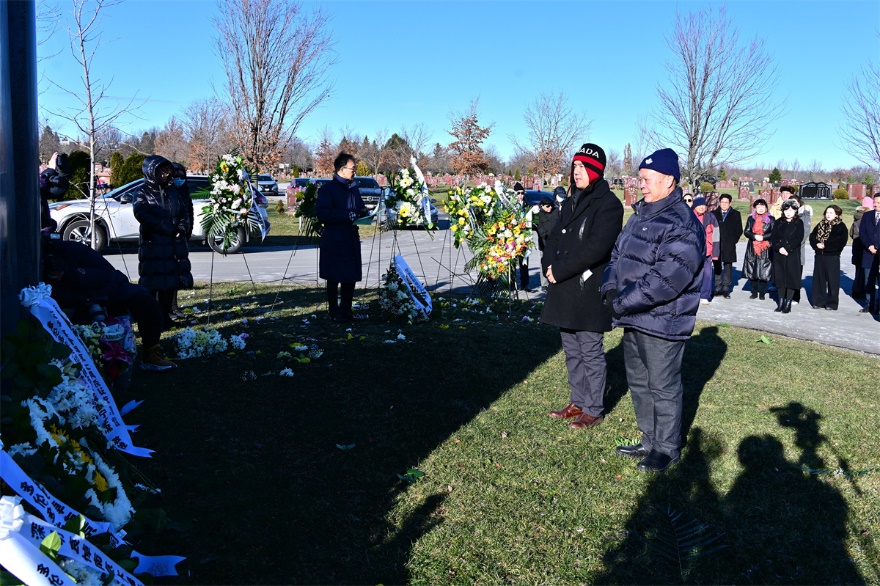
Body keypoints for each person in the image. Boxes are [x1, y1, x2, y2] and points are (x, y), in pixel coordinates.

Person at [600, 148, 704, 472]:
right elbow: (616, 255)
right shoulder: (640, 214)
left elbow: (665, 280)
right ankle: (648, 439)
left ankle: (667, 448)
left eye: (646, 179)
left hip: (663, 322)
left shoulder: (683, 225)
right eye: (640, 179)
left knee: (663, 385)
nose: (640, 185)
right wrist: (609, 288)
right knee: (640, 382)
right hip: (634, 317)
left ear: (669, 180)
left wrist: (619, 301)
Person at [543, 143, 623, 430]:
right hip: (565, 286)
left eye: (583, 167)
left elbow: (596, 249)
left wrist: (560, 270)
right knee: (572, 348)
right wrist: (547, 266)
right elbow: (553, 238)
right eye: (575, 167)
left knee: (590, 349)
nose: (577, 172)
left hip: (587, 289)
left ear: (596, 171)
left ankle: (593, 407)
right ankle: (577, 399)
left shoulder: (609, 204)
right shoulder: (572, 201)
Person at [43, 239, 176, 370]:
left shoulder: (73, 250)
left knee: (147, 303)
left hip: (106, 292)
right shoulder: (41, 261)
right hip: (76, 302)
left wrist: (71, 274)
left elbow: (107, 274)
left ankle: (151, 352)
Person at [133, 155, 194, 328]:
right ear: (151, 172)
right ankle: (151, 319)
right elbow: (142, 214)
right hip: (153, 245)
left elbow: (183, 212)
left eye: (166, 171)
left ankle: (166, 316)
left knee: (169, 282)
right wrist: (167, 228)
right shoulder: (142, 191)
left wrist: (181, 228)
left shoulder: (172, 191)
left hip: (172, 246)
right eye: (160, 171)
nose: (164, 174)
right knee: (152, 284)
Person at [316, 152, 368, 322]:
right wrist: (348, 215)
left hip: (350, 236)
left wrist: (363, 212)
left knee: (350, 276)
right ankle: (334, 311)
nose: (355, 172)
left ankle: (347, 310)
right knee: (334, 277)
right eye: (352, 169)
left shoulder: (353, 188)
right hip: (334, 237)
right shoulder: (327, 190)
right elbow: (323, 214)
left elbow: (358, 207)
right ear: (341, 169)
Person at [168, 162, 195, 321]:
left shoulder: (184, 192)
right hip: (170, 238)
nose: (179, 180)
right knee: (169, 275)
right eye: (176, 176)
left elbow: (188, 213)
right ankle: (168, 308)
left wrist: (186, 231)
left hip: (182, 238)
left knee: (178, 273)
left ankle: (174, 306)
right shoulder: (168, 192)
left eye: (182, 177)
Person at [808, 205, 848, 310]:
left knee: (832, 280)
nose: (828, 215)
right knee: (819, 279)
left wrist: (825, 245)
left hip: (832, 256)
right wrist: (817, 244)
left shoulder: (840, 226)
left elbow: (841, 241)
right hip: (819, 255)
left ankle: (832, 303)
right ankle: (818, 301)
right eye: (827, 212)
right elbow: (812, 236)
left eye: (831, 212)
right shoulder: (821, 224)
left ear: (837, 214)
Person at [770, 199, 804, 314]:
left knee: (790, 279)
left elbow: (799, 238)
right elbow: (774, 237)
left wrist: (788, 248)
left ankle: (788, 303)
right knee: (780, 279)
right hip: (779, 254)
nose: (788, 212)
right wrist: (779, 248)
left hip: (792, 254)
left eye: (791, 210)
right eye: (786, 210)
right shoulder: (778, 222)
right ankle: (780, 302)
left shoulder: (799, 223)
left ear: (795, 211)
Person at [711, 193, 743, 299]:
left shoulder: (736, 214)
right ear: (719, 203)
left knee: (728, 266)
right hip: (716, 243)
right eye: (722, 202)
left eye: (726, 202)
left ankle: (726, 288)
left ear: (730, 203)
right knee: (717, 265)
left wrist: (733, 241)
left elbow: (739, 230)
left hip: (729, 244)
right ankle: (717, 287)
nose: (724, 204)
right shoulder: (713, 214)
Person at [742, 198, 774, 300]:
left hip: (766, 247)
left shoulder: (771, 219)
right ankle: (754, 291)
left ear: (766, 207)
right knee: (753, 270)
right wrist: (754, 236)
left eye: (762, 206)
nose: (760, 209)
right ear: (755, 208)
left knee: (764, 271)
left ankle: (762, 292)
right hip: (752, 247)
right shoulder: (751, 219)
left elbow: (774, 233)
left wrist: (763, 237)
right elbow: (746, 231)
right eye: (758, 206)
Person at [691, 195, 719, 304]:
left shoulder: (711, 217)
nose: (702, 207)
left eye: (703, 205)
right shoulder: (690, 216)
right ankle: (692, 295)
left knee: (707, 274)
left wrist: (715, 252)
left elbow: (716, 235)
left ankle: (704, 295)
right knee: (693, 274)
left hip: (708, 250)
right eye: (699, 205)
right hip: (693, 251)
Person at [858, 196, 880, 314]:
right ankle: (869, 304)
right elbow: (862, 233)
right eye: (874, 202)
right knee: (868, 281)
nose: (875, 205)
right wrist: (869, 246)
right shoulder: (867, 216)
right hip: (869, 254)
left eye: (878, 203)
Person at [850, 196, 873, 300]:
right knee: (864, 271)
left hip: (856, 244)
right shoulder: (868, 217)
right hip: (864, 245)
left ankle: (856, 290)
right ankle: (862, 291)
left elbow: (851, 232)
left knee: (858, 270)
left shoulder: (856, 216)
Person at [791, 194, 812, 304]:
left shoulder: (804, 215)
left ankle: (795, 296)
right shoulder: (787, 214)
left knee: (796, 275)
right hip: (786, 250)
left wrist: (791, 244)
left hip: (798, 250)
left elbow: (804, 234)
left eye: (795, 202)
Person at [535, 195, 560, 289]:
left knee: (555, 262)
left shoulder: (556, 212)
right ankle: (544, 284)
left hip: (555, 243)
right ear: (541, 206)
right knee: (544, 262)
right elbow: (539, 229)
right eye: (547, 206)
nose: (550, 208)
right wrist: (545, 235)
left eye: (551, 206)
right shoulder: (538, 215)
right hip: (544, 243)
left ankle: (554, 280)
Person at [511, 182, 531, 291]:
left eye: (522, 193)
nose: (520, 195)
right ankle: (511, 284)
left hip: (524, 237)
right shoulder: (511, 205)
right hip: (513, 237)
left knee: (524, 262)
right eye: (518, 193)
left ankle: (525, 285)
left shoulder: (526, 205)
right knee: (512, 262)